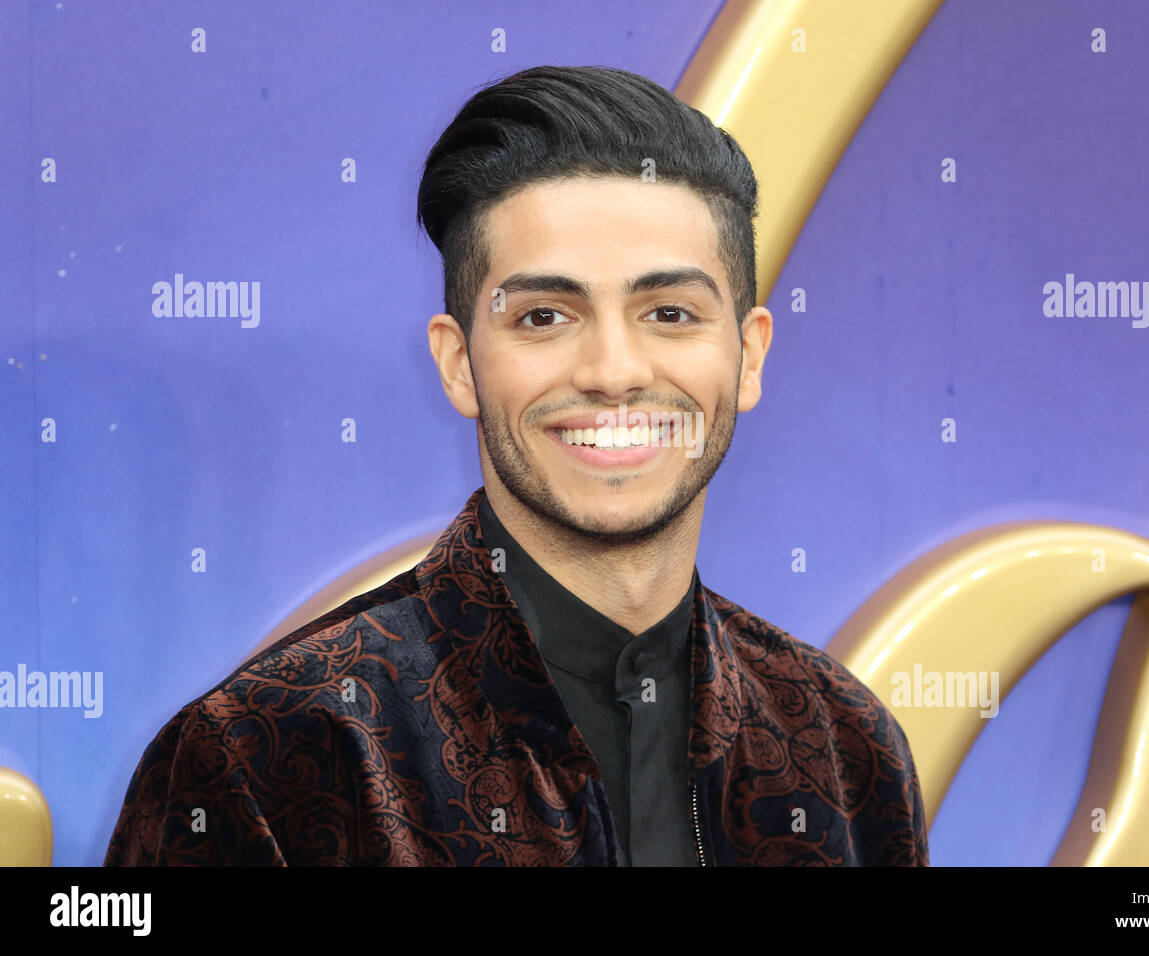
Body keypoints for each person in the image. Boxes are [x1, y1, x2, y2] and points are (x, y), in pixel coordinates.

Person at [103, 64, 929, 866]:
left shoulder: (843, 743)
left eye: (670, 313)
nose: (613, 371)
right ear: (460, 363)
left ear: (748, 356)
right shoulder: (268, 751)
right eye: (543, 316)